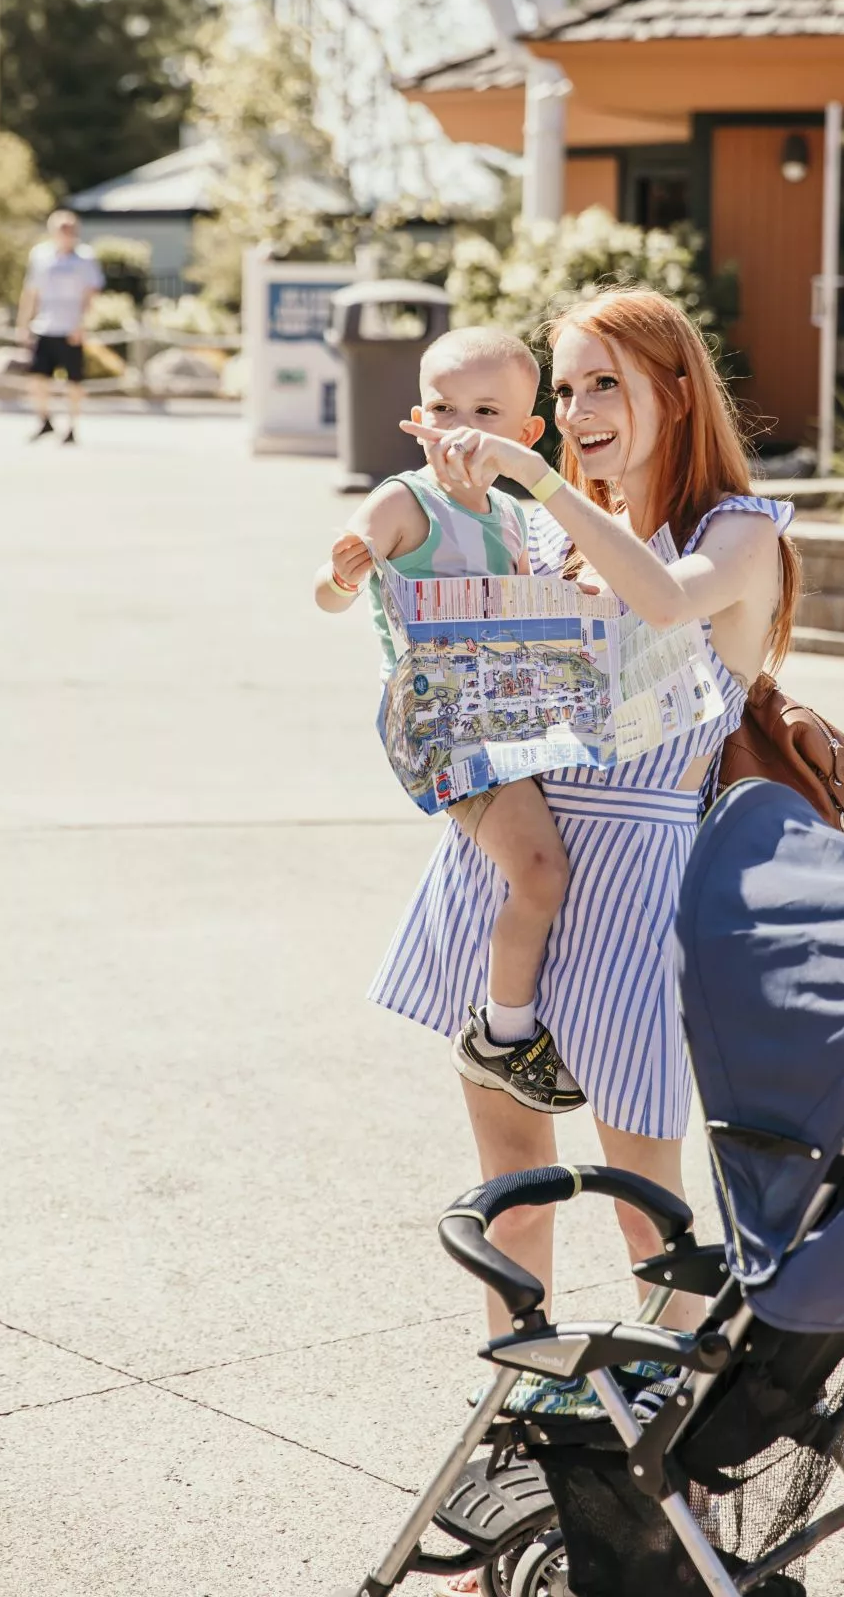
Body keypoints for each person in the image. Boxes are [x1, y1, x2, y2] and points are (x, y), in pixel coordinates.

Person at [372, 286, 798, 1373]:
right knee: (511, 1209)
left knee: (648, 1218)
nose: (578, 408)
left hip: (634, 883)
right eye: (561, 390)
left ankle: (656, 1480)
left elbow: (661, 599)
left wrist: (540, 481)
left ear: (674, 387)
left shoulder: (736, 532)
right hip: (511, 868)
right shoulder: (546, 539)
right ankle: (521, 1449)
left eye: (603, 380)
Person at [314, 327, 582, 1113]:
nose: (459, 427)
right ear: (415, 416)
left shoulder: (510, 516)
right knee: (541, 872)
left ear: (527, 436)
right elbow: (328, 594)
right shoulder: (404, 499)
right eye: (443, 407)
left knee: (552, 864)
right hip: (444, 723)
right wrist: (339, 573)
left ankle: (515, 1008)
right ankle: (502, 1034)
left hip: (507, 712)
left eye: (486, 412)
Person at [17, 211, 104, 445]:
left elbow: (91, 295)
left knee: (73, 381)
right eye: (61, 229)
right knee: (37, 378)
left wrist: (82, 325)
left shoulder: (85, 258)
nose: (66, 234)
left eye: (70, 229)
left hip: (70, 328)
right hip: (45, 325)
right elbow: (31, 291)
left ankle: (72, 427)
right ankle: (44, 420)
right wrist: (23, 323)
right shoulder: (41, 256)